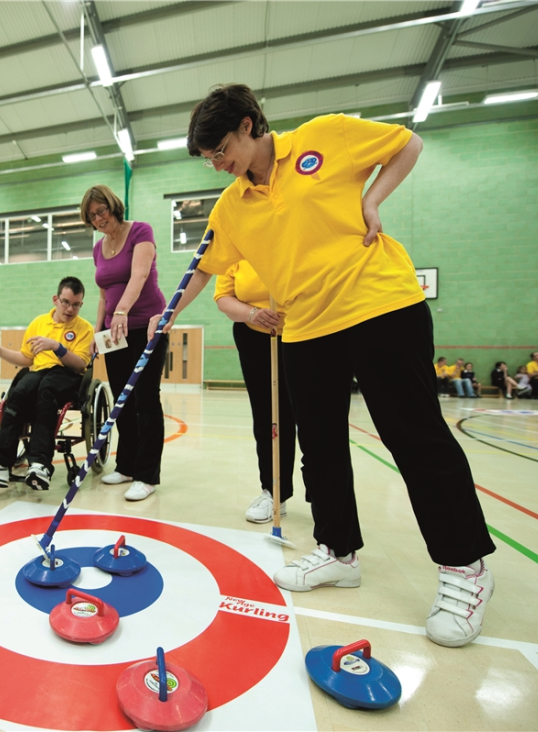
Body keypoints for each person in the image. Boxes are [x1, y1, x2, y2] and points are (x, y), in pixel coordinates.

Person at [153, 84, 496, 648]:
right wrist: (165, 314)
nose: (218, 164)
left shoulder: (325, 136)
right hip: (305, 327)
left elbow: (406, 144)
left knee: (414, 438)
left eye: (220, 149)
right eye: (209, 158)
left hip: (380, 304)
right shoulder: (231, 205)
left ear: (248, 124)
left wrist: (373, 199)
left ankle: (464, 567)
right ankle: (339, 550)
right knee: (320, 446)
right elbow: (204, 269)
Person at [0, 277, 93, 489]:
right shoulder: (38, 323)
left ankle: (40, 464)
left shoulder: (84, 328)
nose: (70, 309)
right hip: (38, 371)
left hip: (66, 375)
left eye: (76, 304)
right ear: (56, 299)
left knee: (46, 393)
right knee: (18, 394)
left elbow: (80, 364)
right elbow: (25, 359)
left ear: (81, 304)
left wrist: (56, 346)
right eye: (66, 302)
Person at [83, 184, 168, 502]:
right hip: (113, 335)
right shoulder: (97, 249)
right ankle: (128, 465)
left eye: (101, 210)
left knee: (146, 400)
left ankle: (147, 475)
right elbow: (104, 293)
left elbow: (140, 274)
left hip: (146, 328)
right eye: (91, 216)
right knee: (122, 401)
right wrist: (97, 329)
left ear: (113, 206)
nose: (98, 218)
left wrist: (122, 311)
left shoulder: (140, 232)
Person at [214, 260, 297, 523]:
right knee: (268, 417)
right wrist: (252, 314)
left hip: (302, 331)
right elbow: (223, 297)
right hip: (254, 334)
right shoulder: (237, 254)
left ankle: (324, 493)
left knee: (312, 415)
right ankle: (274, 492)